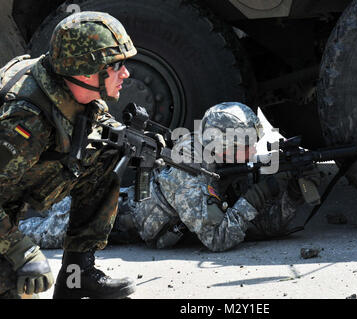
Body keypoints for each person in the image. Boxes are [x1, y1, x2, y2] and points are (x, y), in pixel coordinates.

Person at [0, 11, 138, 299]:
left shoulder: (67, 86)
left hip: (8, 198)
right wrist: (21, 251)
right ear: (87, 71)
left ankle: (78, 275)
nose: (125, 73)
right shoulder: (25, 120)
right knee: (18, 281)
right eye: (117, 65)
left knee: (108, 150)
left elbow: (93, 127)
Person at [115, 102, 319, 251]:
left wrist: (293, 194)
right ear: (225, 145)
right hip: (117, 219)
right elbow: (219, 238)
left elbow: (258, 227)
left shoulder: (227, 163)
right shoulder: (189, 168)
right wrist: (257, 195)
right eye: (248, 145)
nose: (255, 149)